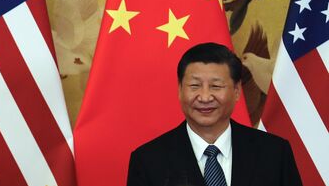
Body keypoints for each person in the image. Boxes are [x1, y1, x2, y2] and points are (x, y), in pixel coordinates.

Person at [126, 42, 302, 186]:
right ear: (180, 90)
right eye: (194, 86)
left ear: (237, 91)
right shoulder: (148, 161)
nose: (204, 97)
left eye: (216, 86)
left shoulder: (274, 153)